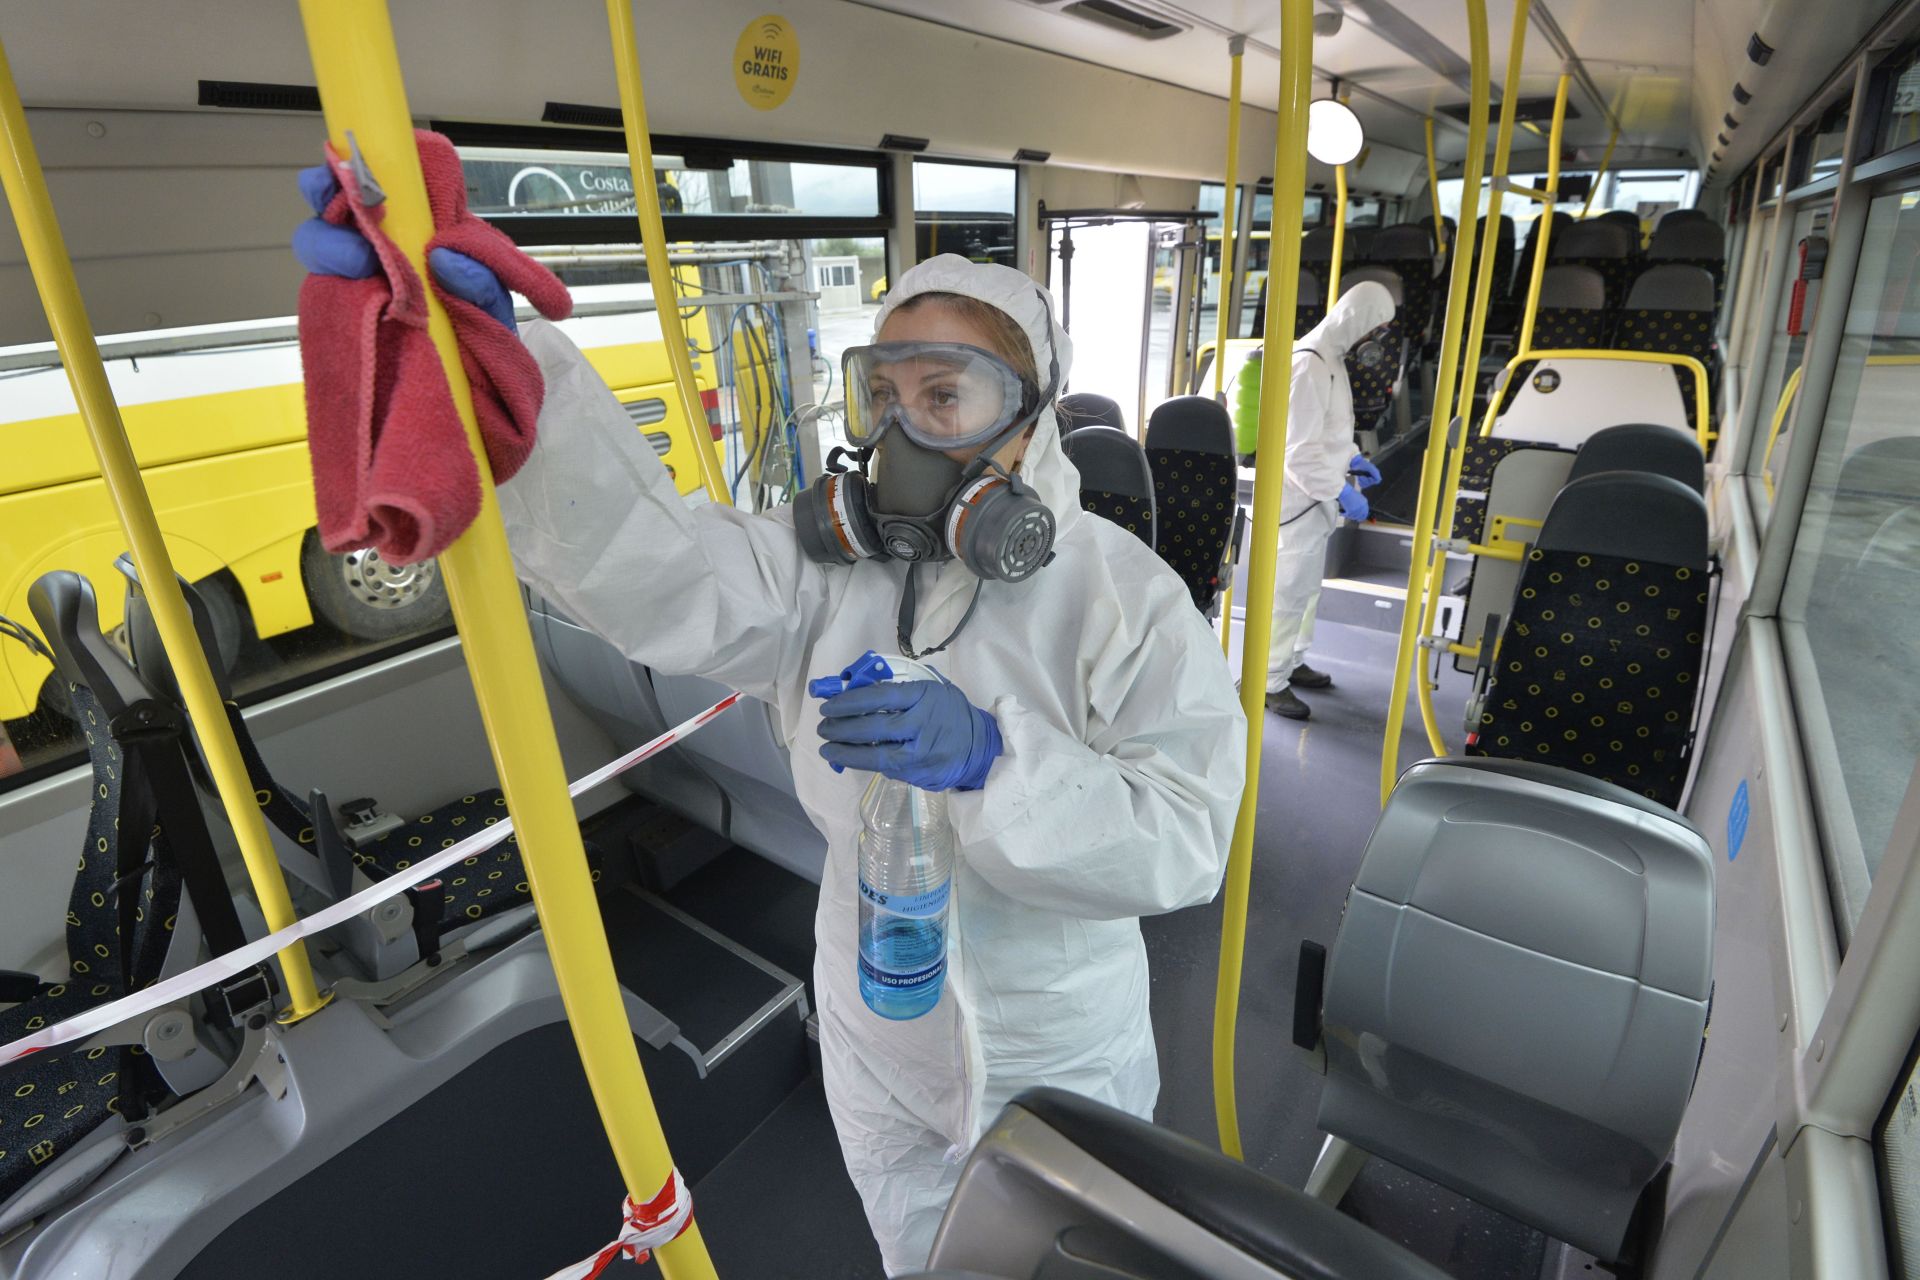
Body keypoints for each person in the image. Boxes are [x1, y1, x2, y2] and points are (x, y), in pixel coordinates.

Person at [294, 190, 1247, 1274]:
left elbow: (1185, 834)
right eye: (881, 393)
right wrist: (512, 373)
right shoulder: (821, 576)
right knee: (917, 1252)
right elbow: (659, 571)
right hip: (878, 1032)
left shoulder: (1126, 598)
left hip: (1059, 1044)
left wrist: (998, 759)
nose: (900, 431)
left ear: (1028, 420)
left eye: (945, 395)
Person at [1262, 282, 1392, 721]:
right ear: (1356, 320)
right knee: (1286, 593)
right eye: (1375, 328)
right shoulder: (1308, 366)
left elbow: (1330, 430)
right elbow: (1296, 450)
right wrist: (1339, 491)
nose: (1375, 340)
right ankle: (1269, 680)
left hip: (1318, 497)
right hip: (1298, 500)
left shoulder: (1333, 359)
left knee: (1307, 591)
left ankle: (1293, 660)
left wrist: (1352, 458)